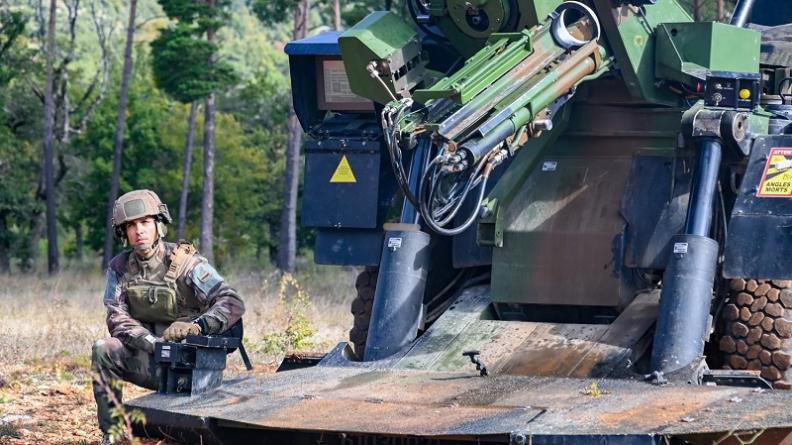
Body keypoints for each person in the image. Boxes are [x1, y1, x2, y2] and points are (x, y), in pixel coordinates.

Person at [92, 189, 245, 445]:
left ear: (158, 225)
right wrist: (151, 342)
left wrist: (197, 326)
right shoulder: (119, 268)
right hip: (151, 359)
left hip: (192, 365)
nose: (139, 230)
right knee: (103, 349)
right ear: (123, 233)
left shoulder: (185, 263)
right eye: (131, 225)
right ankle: (114, 434)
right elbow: (117, 317)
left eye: (145, 223)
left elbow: (231, 302)